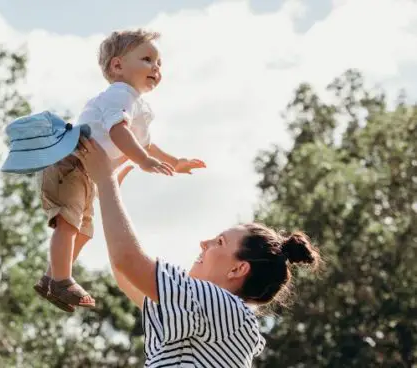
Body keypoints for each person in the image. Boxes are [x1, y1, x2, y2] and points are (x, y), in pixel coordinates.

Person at [74, 137, 322, 367]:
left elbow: (128, 261)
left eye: (220, 242)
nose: (204, 243)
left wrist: (105, 181)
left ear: (238, 268)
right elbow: (126, 271)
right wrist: (108, 194)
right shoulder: (209, 315)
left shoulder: (227, 309)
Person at [28, 29, 206, 312]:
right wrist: (144, 160)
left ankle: (52, 277)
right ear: (117, 66)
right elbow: (119, 131)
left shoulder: (137, 105)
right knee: (69, 223)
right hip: (71, 163)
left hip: (87, 173)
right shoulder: (119, 95)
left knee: (84, 231)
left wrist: (176, 162)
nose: (156, 68)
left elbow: (147, 144)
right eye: (147, 59)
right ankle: (61, 279)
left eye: (159, 63)